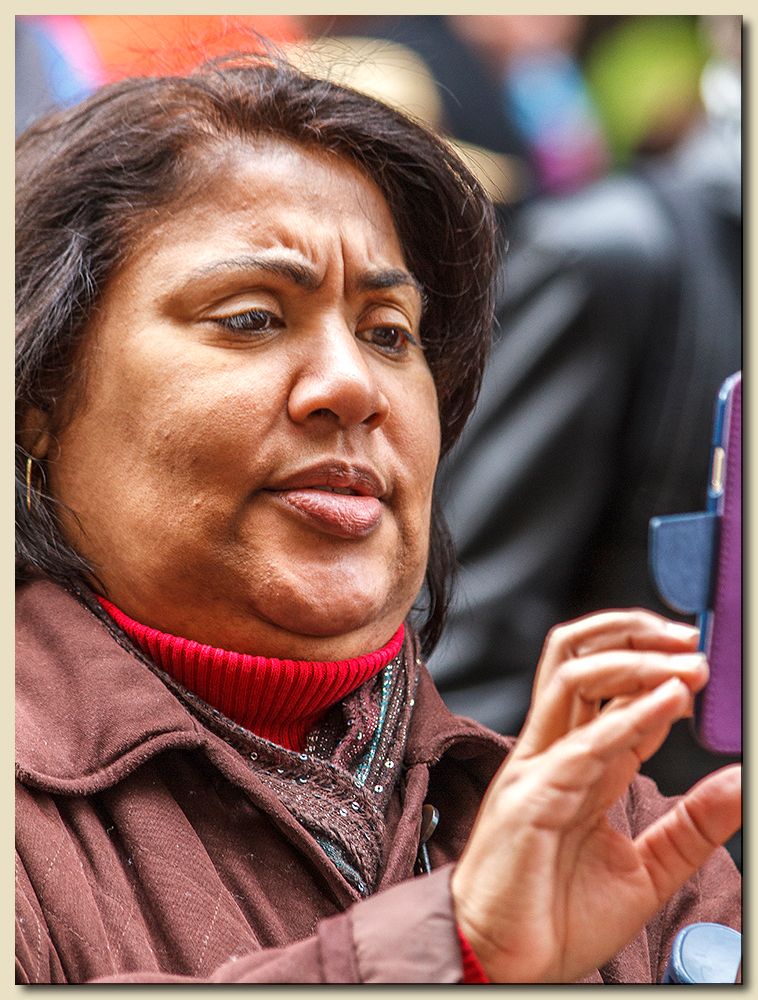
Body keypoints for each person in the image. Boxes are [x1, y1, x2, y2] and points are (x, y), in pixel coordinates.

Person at [15, 52, 740, 985]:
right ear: (39, 397)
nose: (353, 386)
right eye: (251, 318)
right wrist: (446, 947)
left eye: (390, 333)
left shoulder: (628, 846)